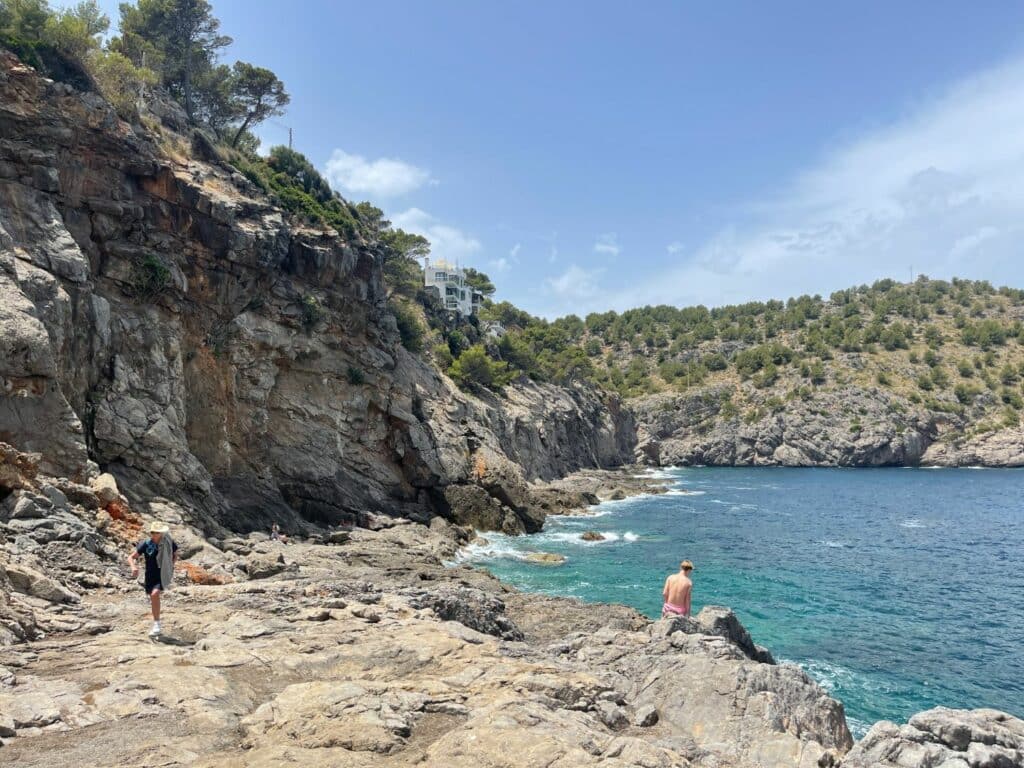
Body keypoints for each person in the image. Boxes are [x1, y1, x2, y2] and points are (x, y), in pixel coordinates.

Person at [128, 522, 177, 636]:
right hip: (150, 575)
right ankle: (157, 622)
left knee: (155, 594)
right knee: (153, 597)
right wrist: (133, 567)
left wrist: (171, 566)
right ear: (151, 533)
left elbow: (175, 554)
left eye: (158, 532)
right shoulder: (146, 544)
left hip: (162, 574)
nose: (156, 534)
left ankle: (157, 625)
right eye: (154, 532)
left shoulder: (168, 543)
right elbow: (131, 557)